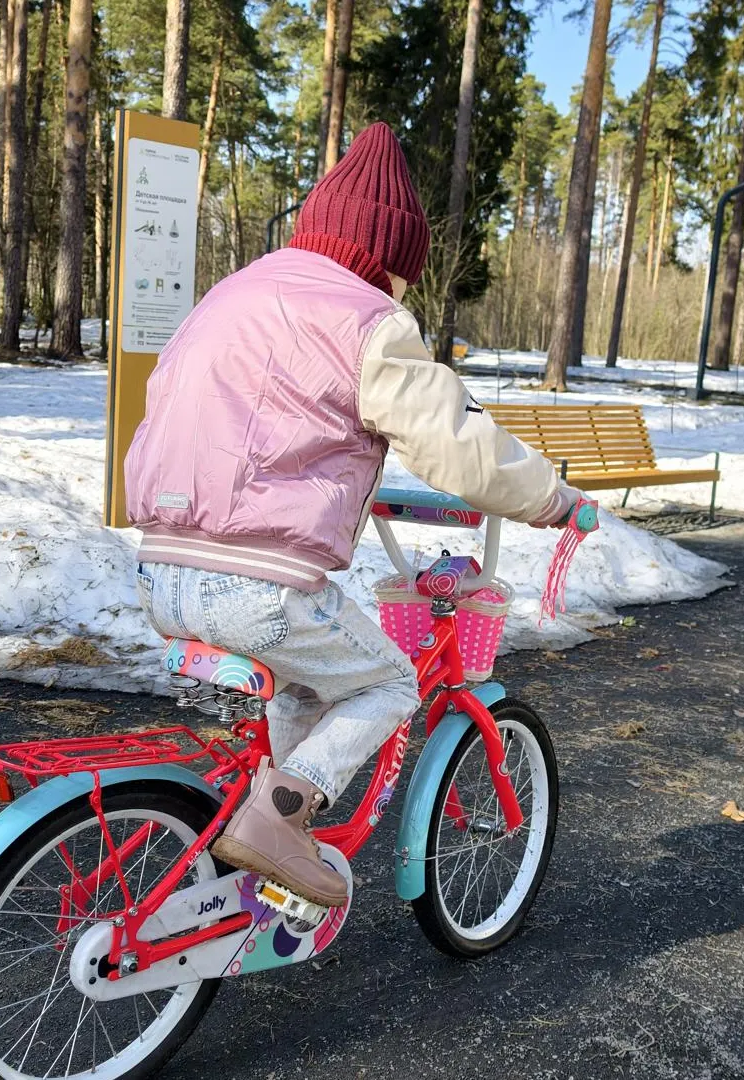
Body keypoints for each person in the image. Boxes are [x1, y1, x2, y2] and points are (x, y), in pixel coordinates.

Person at [125, 123, 580, 908]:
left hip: (161, 566)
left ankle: (265, 848)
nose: (401, 292)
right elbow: (458, 440)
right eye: (405, 275)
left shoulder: (236, 291)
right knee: (389, 684)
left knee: (305, 687)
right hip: (258, 585)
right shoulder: (367, 318)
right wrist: (552, 497)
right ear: (390, 260)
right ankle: (278, 818)